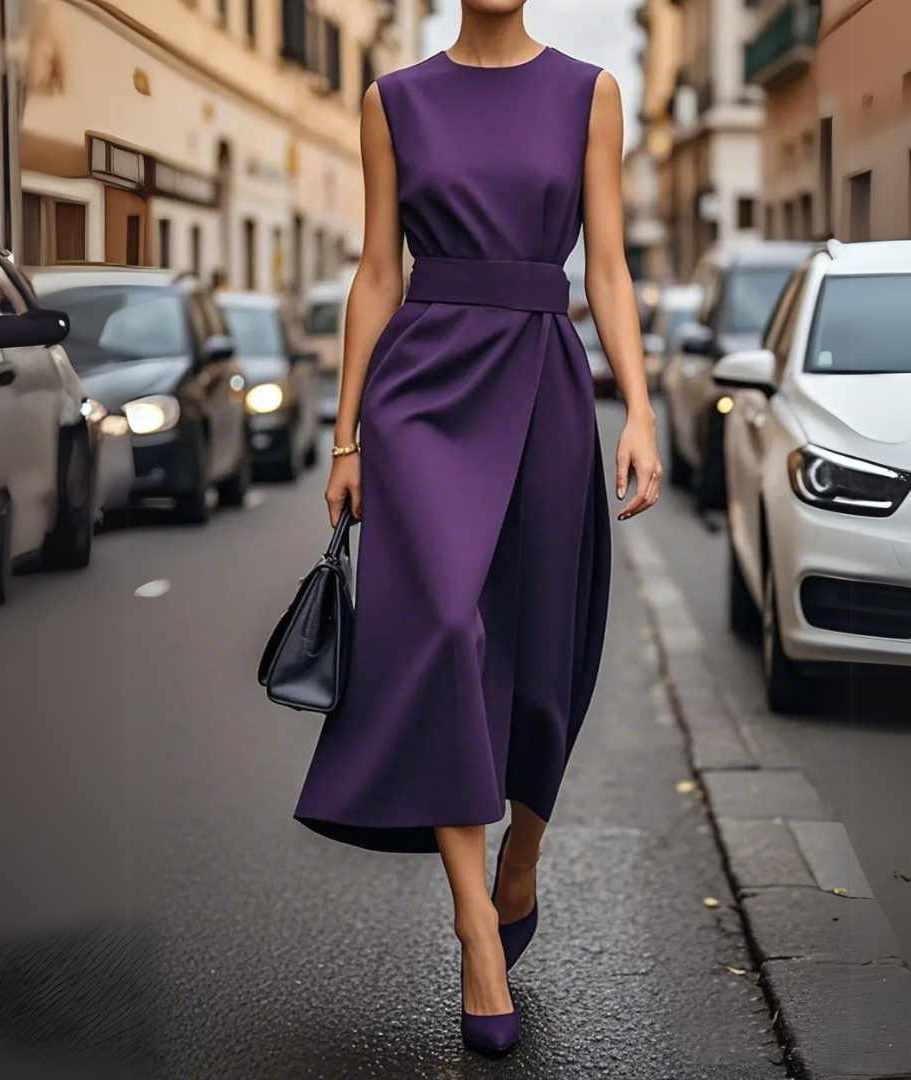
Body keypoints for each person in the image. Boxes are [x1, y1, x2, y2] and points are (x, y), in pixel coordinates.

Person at [292, 0, 662, 1056]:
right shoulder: (392, 100)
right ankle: (474, 931)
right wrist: (348, 437)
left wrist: (634, 409)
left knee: (545, 662)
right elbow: (376, 274)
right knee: (445, 628)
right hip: (421, 400)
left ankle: (525, 856)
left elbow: (608, 268)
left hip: (547, 380)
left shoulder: (589, 92)